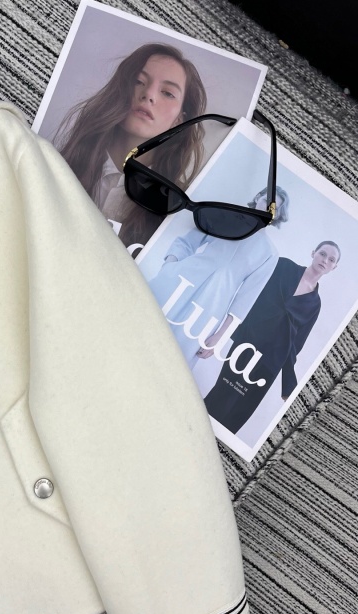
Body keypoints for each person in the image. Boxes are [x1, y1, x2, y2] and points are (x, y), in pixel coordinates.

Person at [56, 42, 207, 246]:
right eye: (138, 81)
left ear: (180, 119)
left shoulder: (178, 211)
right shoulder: (62, 162)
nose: (149, 95)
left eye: (167, 93)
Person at [144, 186, 290, 367]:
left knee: (175, 360)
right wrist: (169, 267)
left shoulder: (269, 253)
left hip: (211, 307)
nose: (268, 208)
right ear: (257, 197)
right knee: (143, 325)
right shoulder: (227, 218)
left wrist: (220, 337)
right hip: (180, 281)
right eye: (266, 200)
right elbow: (187, 242)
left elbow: (245, 300)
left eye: (275, 208)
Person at [203, 241, 341, 433]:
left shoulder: (315, 304)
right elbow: (249, 296)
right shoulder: (283, 266)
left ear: (334, 267)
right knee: (221, 397)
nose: (325, 260)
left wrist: (288, 386)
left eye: (331, 259)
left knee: (237, 415)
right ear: (313, 253)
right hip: (247, 345)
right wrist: (221, 335)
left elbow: (295, 345)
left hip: (270, 364)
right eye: (323, 254)